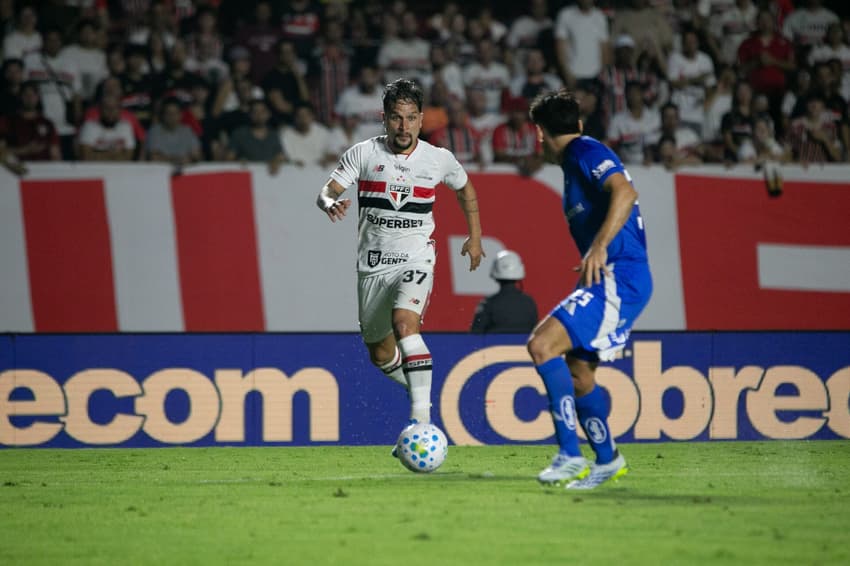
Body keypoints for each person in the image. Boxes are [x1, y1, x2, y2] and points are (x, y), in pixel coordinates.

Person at [316, 78, 484, 445]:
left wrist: (475, 236)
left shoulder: (438, 159)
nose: (403, 126)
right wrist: (331, 203)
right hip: (372, 265)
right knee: (380, 353)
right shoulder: (363, 154)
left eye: (410, 118)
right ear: (385, 118)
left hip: (416, 257)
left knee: (405, 324)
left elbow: (465, 188)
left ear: (421, 119)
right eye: (396, 118)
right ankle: (418, 387)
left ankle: (421, 423)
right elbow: (327, 192)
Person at [527, 89, 652, 490]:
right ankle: (607, 459)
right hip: (611, 277)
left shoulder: (584, 150)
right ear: (577, 123)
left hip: (622, 276)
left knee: (542, 345)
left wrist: (599, 246)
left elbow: (625, 191)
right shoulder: (575, 162)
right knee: (579, 373)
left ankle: (568, 454)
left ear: (540, 134)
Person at [470, 250, 538, 333]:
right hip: (522, 346)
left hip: (494, 345)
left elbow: (474, 336)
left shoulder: (488, 304)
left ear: (495, 274)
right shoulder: (529, 303)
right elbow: (536, 334)